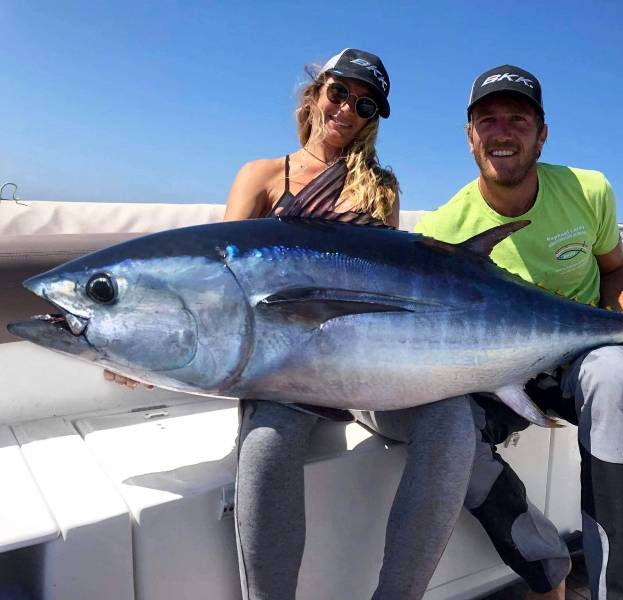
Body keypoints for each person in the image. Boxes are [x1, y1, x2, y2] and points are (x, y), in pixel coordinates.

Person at [106, 49, 478, 600]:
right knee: (267, 445)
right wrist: (140, 349)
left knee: (451, 422)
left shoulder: (380, 188)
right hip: (283, 372)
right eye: (339, 93)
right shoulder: (260, 175)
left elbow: (392, 287)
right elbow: (215, 285)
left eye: (365, 104)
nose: (347, 109)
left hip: (371, 369)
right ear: (315, 93)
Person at [415, 65, 623, 600]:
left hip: (580, 353)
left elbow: (616, 270)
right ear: (470, 136)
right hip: (494, 368)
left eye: (518, 119)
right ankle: (547, 565)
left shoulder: (588, 190)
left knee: (617, 376)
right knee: (444, 429)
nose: (503, 132)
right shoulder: (439, 232)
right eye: (488, 120)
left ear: (542, 133)